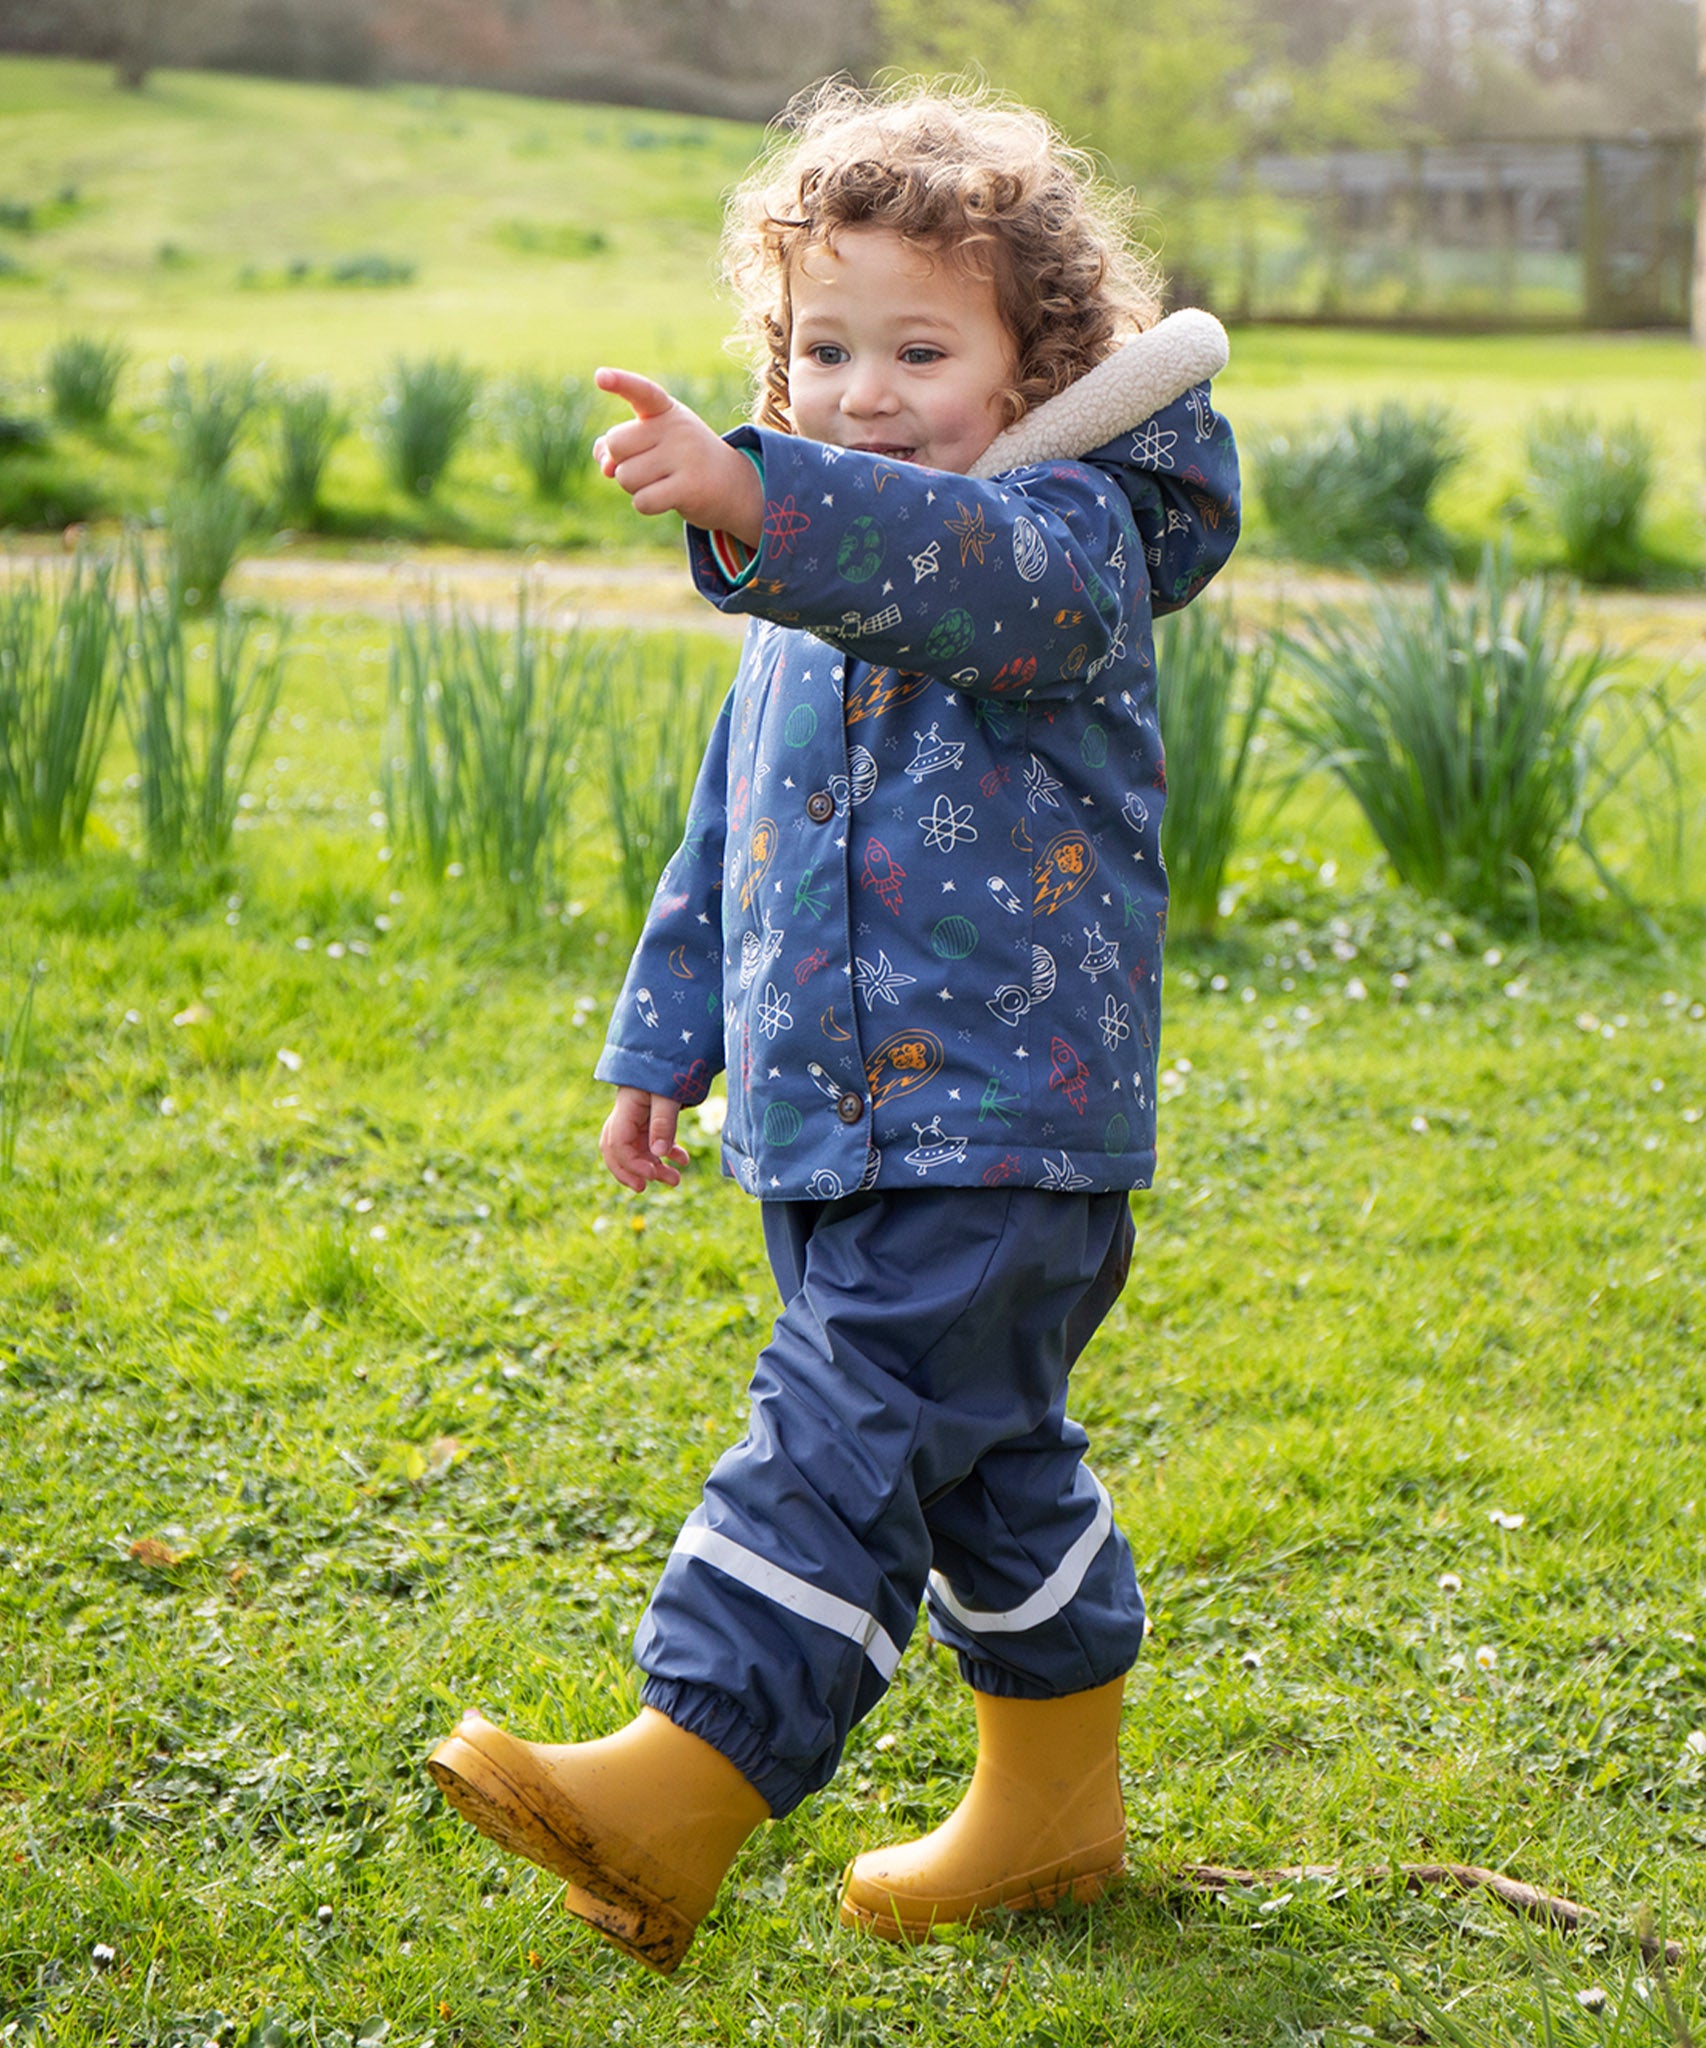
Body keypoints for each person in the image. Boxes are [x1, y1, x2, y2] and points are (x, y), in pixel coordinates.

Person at [428, 79, 1240, 1975]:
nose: (861, 389)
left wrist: (755, 496)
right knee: (982, 1458)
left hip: (997, 1125)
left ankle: (681, 1777)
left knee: (849, 1429)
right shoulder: (813, 595)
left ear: (1043, 358)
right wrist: (664, 1037)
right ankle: (1049, 1811)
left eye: (919, 347)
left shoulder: (1067, 545)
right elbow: (737, 830)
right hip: (828, 1120)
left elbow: (949, 571)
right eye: (820, 348)